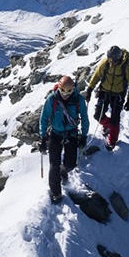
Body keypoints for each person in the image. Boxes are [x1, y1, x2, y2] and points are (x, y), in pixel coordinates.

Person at [39, 75, 89, 203]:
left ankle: (63, 171)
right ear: (59, 88)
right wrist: (43, 138)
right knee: (54, 165)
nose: (65, 94)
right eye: (62, 91)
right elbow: (44, 119)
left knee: (70, 164)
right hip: (55, 134)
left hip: (71, 134)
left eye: (69, 92)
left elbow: (84, 118)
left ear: (73, 90)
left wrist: (83, 136)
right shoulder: (52, 100)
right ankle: (56, 192)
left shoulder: (78, 100)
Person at [85, 45, 129, 150]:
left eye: (114, 60)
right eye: (110, 60)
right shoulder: (105, 63)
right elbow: (96, 75)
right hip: (104, 92)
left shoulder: (127, 67)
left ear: (119, 58)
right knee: (97, 115)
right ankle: (109, 126)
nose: (112, 62)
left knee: (115, 119)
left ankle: (112, 141)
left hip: (118, 95)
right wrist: (90, 89)